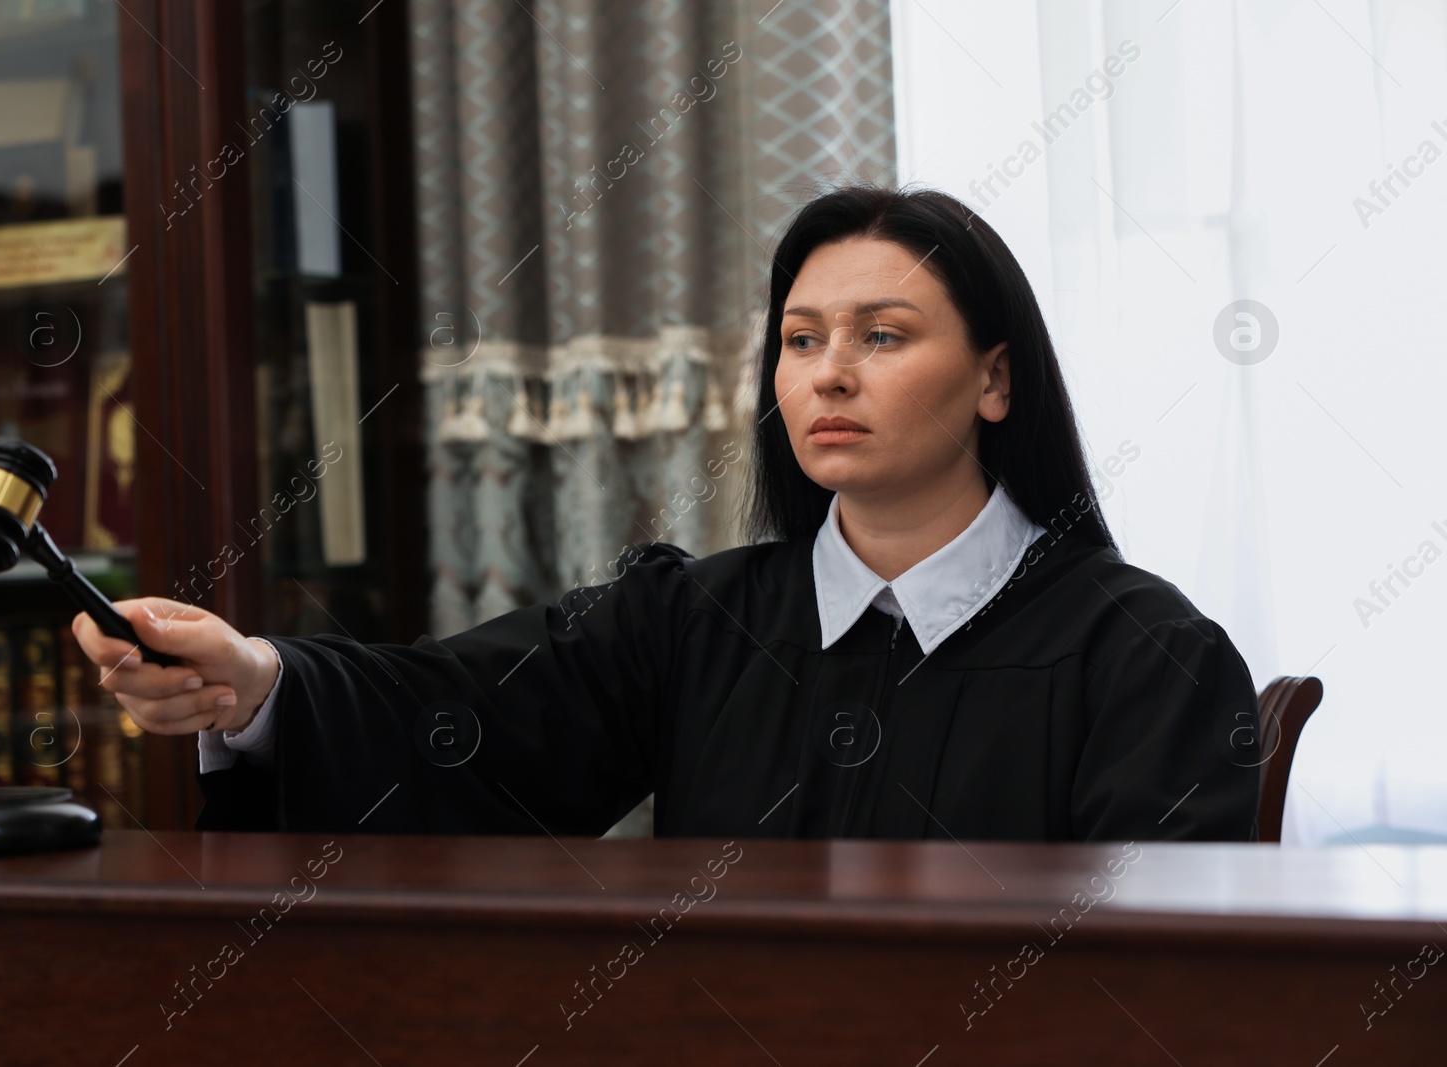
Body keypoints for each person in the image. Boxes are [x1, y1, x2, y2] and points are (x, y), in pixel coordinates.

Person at [73, 185, 1262, 841]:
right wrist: (258, 679)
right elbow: (458, 713)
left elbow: (1160, 993)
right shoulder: (692, 623)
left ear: (996, 378)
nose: (826, 374)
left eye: (880, 337)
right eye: (800, 342)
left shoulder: (1142, 658)